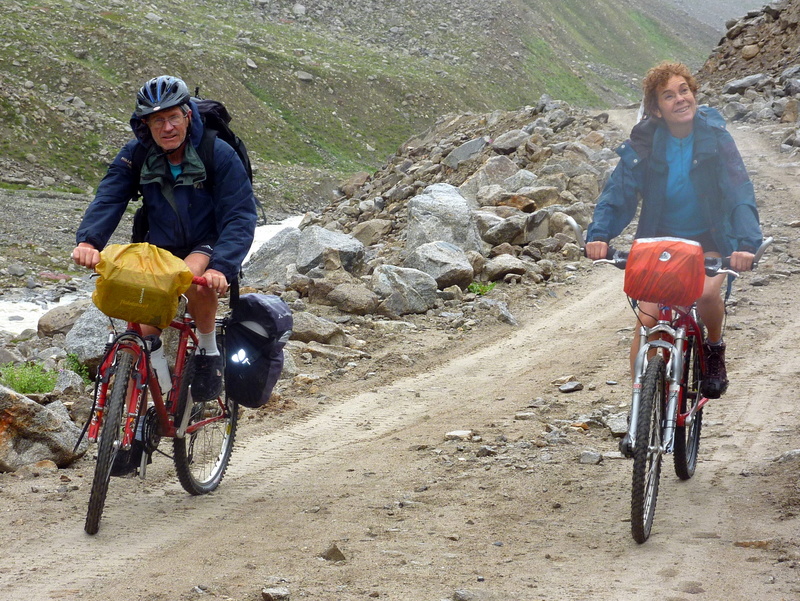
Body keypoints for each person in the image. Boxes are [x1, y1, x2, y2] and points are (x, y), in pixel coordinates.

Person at [73, 75, 257, 403]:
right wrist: (89, 241)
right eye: (158, 120)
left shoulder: (218, 153)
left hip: (207, 240)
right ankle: (147, 411)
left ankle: (208, 353)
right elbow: (110, 196)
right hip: (158, 244)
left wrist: (222, 267)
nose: (167, 127)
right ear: (145, 123)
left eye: (173, 116)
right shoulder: (137, 153)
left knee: (194, 283)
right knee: (143, 332)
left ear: (187, 115)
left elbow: (240, 215)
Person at [585, 61, 762, 398]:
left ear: (694, 95)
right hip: (660, 240)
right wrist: (598, 236)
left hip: (708, 239)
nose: (680, 99)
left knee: (707, 293)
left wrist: (746, 244)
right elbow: (618, 192)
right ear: (656, 109)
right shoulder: (646, 143)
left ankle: (713, 348)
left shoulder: (716, 139)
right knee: (647, 320)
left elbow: (739, 191)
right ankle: (642, 407)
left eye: (685, 91)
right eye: (669, 95)